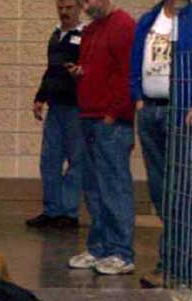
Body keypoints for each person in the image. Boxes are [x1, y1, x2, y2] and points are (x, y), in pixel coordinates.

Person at [130, 0, 192, 287]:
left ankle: (176, 267)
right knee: (161, 192)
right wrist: (138, 98)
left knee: (185, 191)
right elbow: (135, 61)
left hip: (187, 116)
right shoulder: (148, 19)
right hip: (151, 111)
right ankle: (178, 261)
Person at [66, 0, 136, 275]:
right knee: (94, 188)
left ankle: (121, 252)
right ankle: (99, 247)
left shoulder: (124, 26)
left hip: (111, 121)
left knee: (115, 187)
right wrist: (81, 73)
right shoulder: (91, 30)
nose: (84, 4)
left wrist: (112, 114)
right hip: (89, 116)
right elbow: (98, 68)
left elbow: (127, 75)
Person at [26, 0, 85, 229]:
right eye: (60, 8)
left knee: (76, 160)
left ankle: (69, 213)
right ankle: (52, 210)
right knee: (49, 160)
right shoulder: (55, 36)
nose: (64, 12)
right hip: (55, 106)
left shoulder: (85, 36)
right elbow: (50, 70)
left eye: (69, 8)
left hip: (76, 108)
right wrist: (40, 97)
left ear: (79, 8)